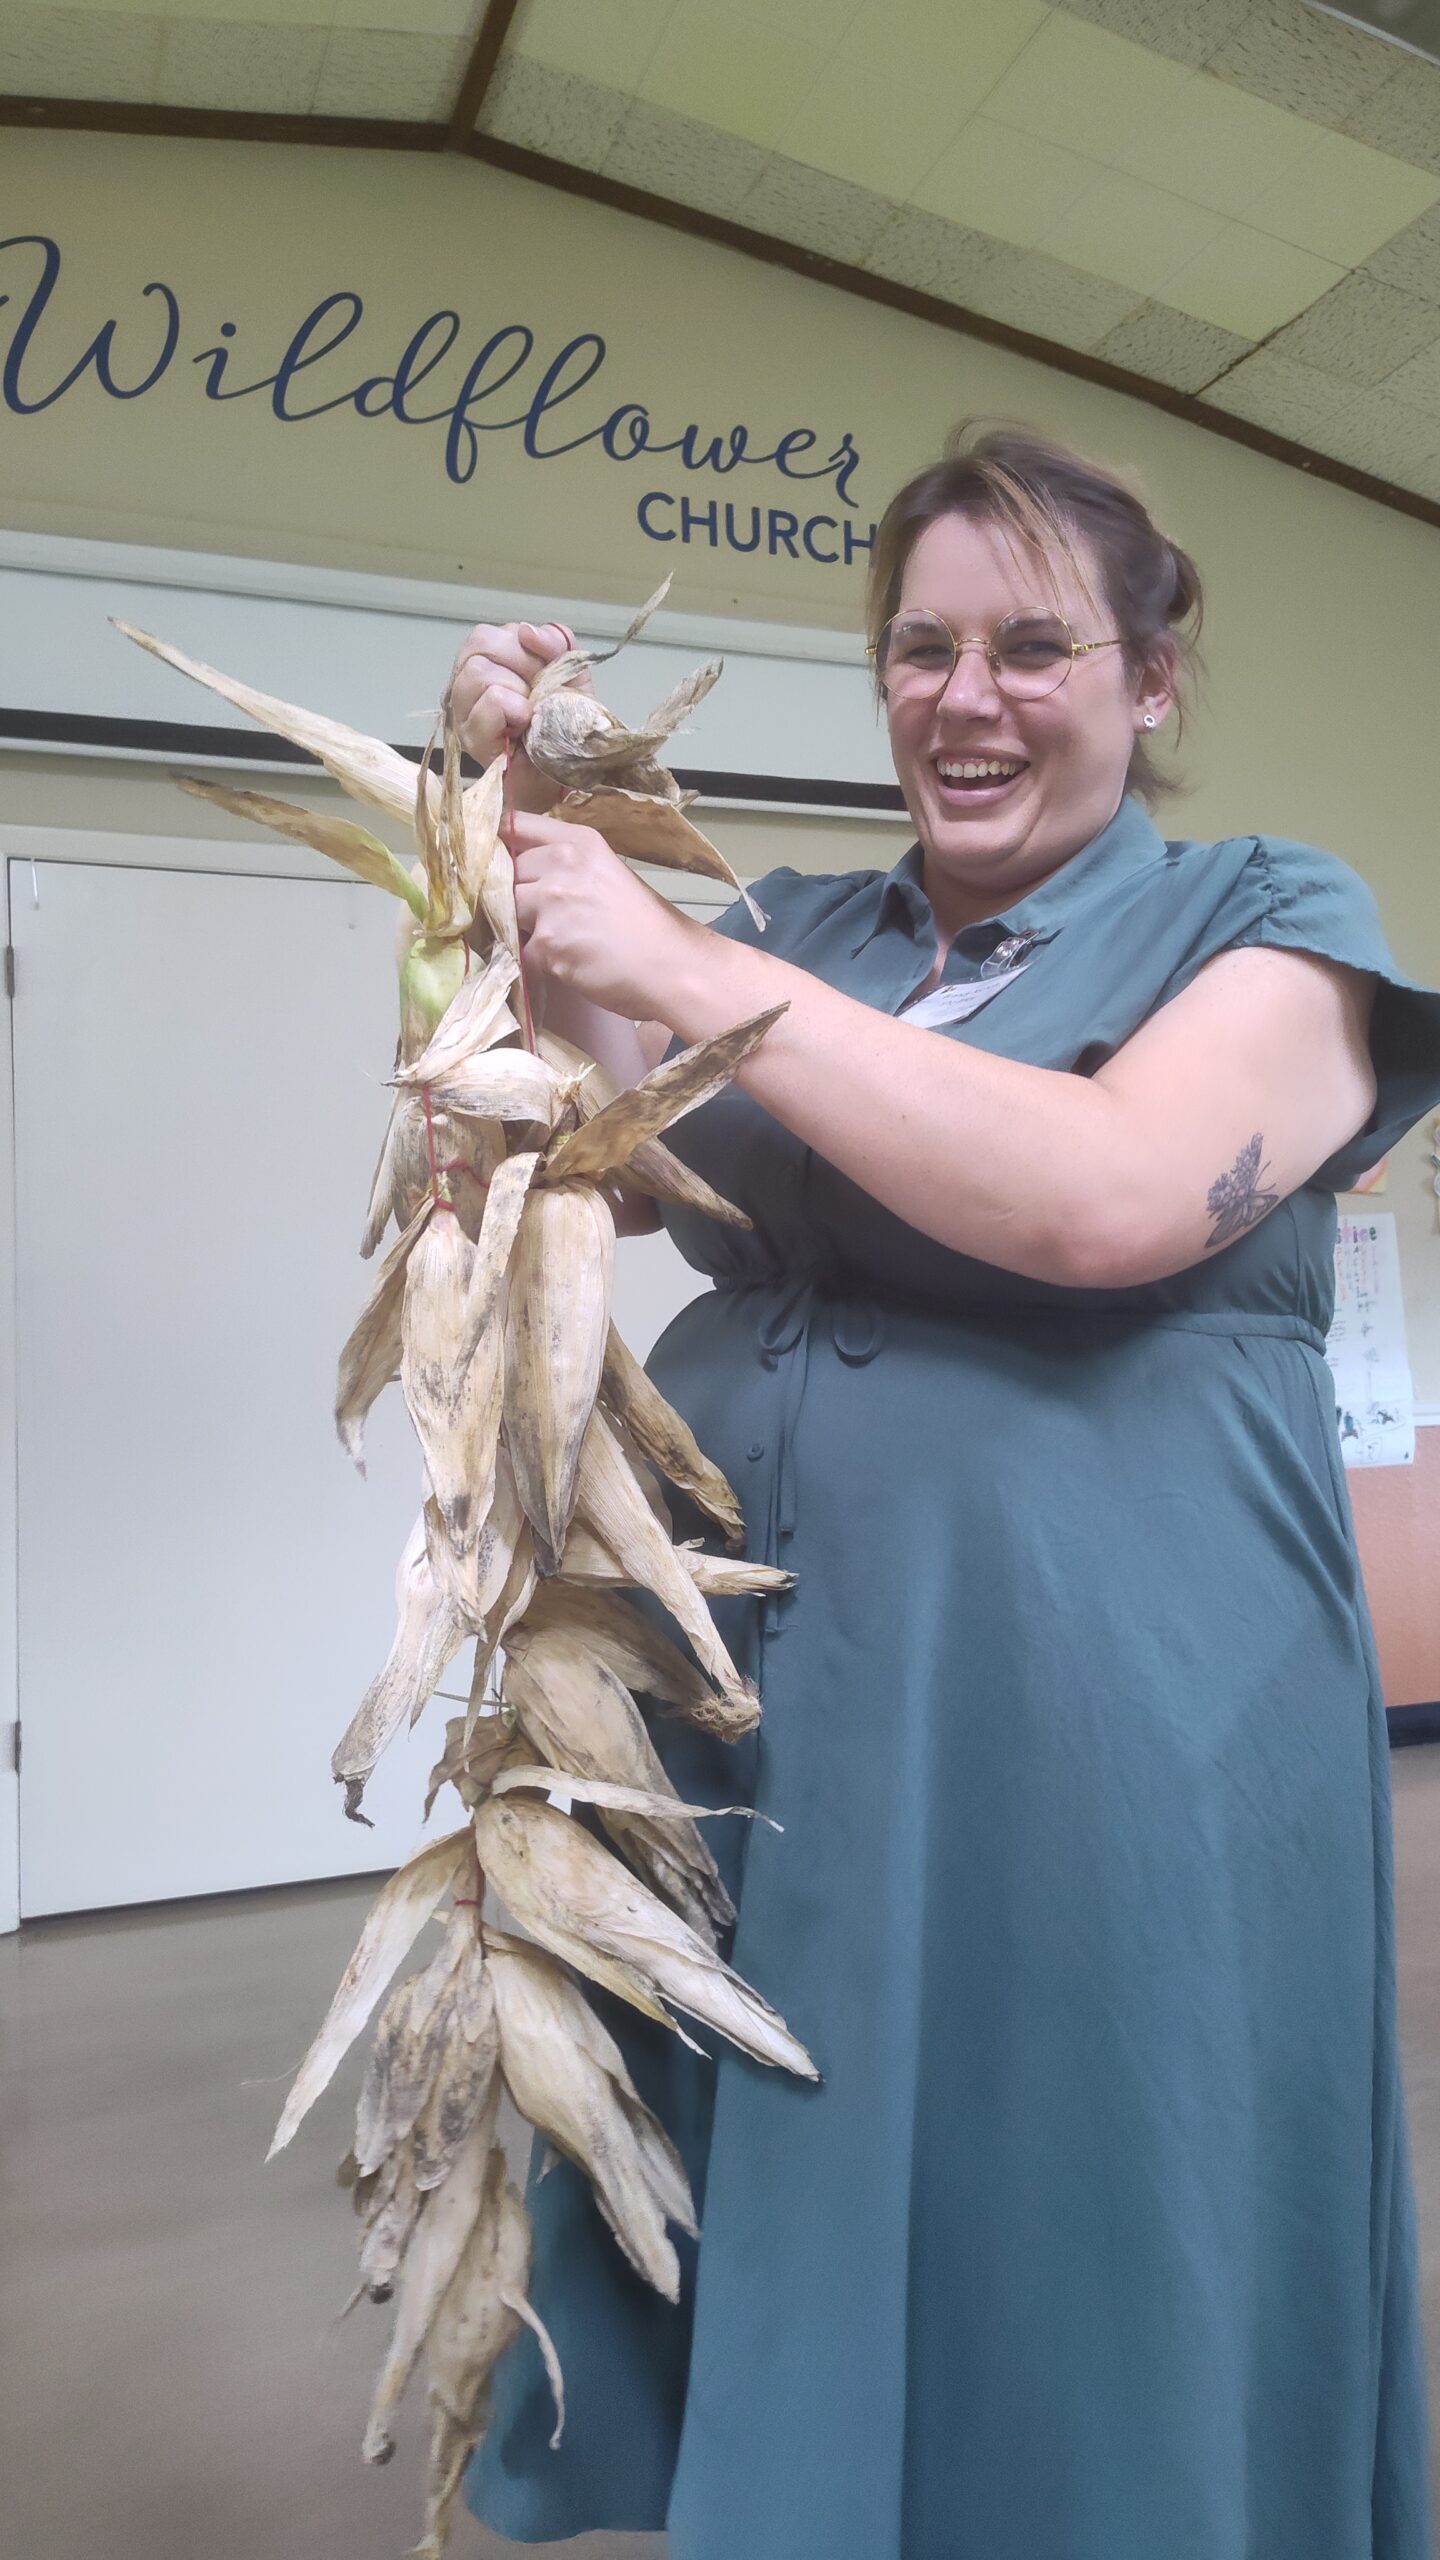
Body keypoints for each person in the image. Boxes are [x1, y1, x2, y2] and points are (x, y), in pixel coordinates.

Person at [449, 423, 1438, 2560]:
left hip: (1104, 1729)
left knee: (1075, 2196)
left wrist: (690, 962)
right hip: (761, 1707)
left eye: (1031, 646)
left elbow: (1099, 1197)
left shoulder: (1265, 920)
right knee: (795, 2154)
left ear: (1150, 680)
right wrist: (512, 818)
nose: (965, 696)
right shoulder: (824, 927)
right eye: (921, 647)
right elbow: (613, 1152)